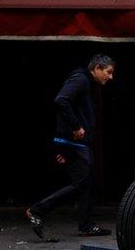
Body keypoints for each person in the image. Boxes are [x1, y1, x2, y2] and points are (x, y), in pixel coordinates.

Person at [26, 55, 116, 238]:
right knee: (82, 183)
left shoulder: (87, 83)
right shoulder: (81, 79)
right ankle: (37, 210)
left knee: (85, 184)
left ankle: (86, 225)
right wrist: (76, 126)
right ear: (97, 68)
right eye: (108, 72)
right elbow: (61, 100)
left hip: (74, 143)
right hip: (73, 142)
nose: (110, 77)